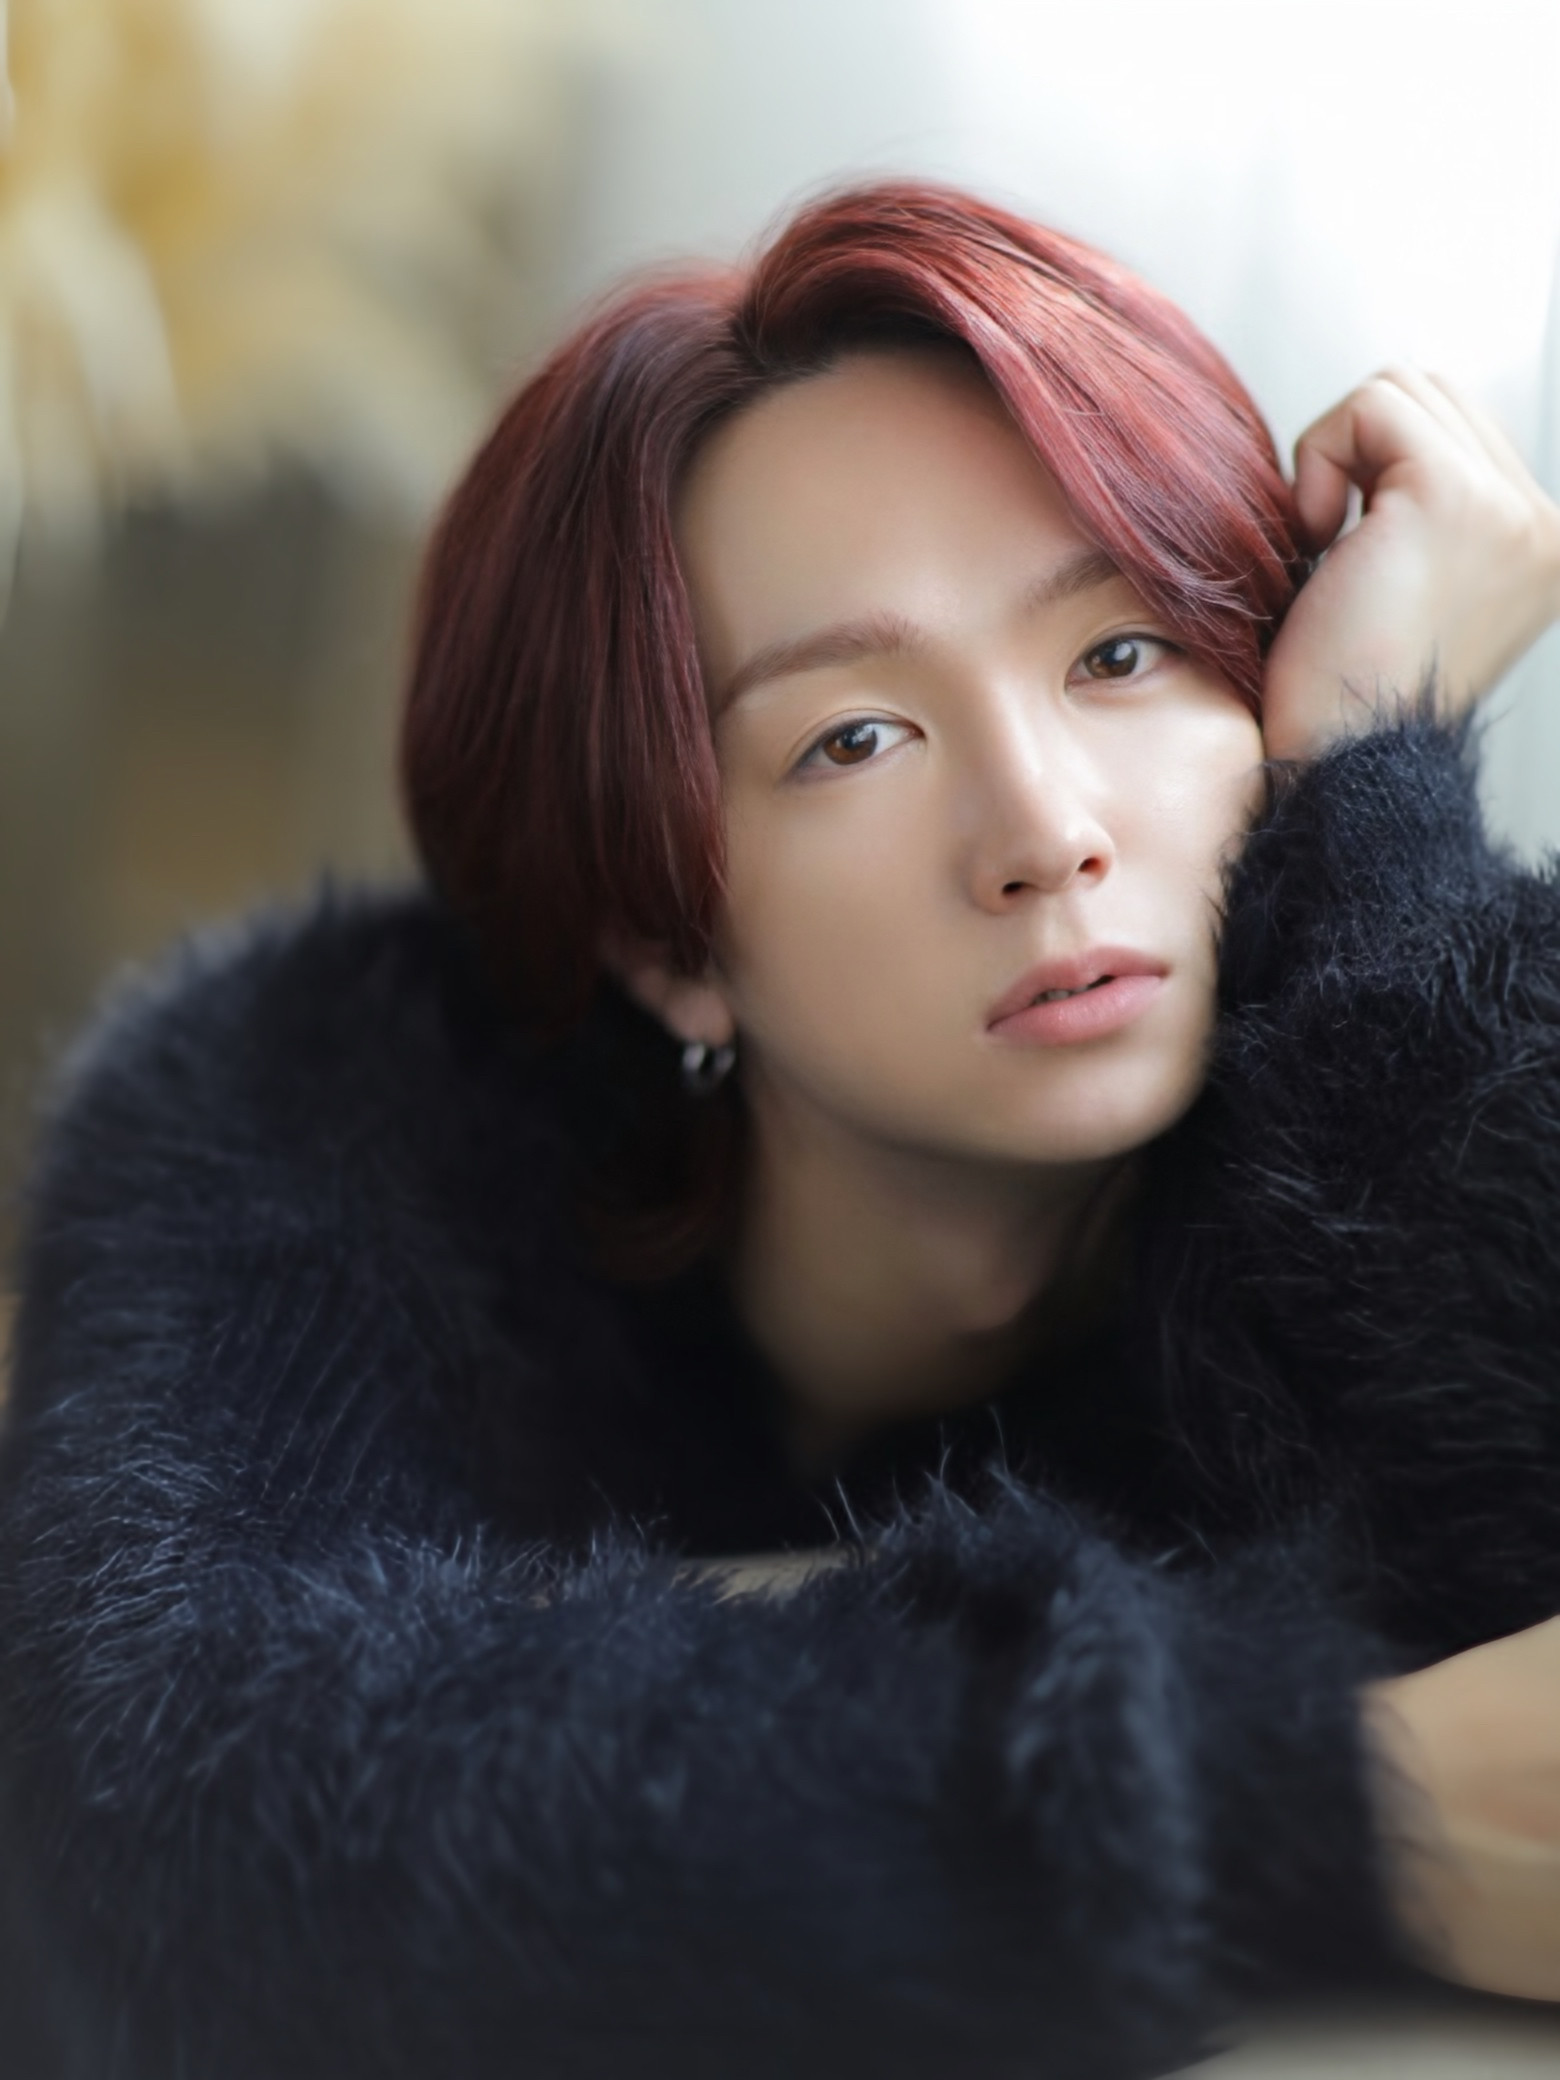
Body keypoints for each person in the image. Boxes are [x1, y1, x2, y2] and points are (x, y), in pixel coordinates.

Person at [1, 179, 1559, 2080]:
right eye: (853, 739)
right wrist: (1324, 1797)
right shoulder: (319, 1099)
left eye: (1123, 654)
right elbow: (177, 1815)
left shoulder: (1373, 1047)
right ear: (666, 942)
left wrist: (1379, 794)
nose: (1046, 829)